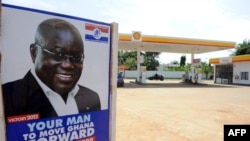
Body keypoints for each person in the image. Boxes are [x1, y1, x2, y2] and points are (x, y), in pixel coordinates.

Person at [2, 18, 101, 119]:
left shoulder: (91, 98)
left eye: (77, 57)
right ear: (34, 53)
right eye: (58, 54)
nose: (68, 65)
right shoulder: (6, 98)